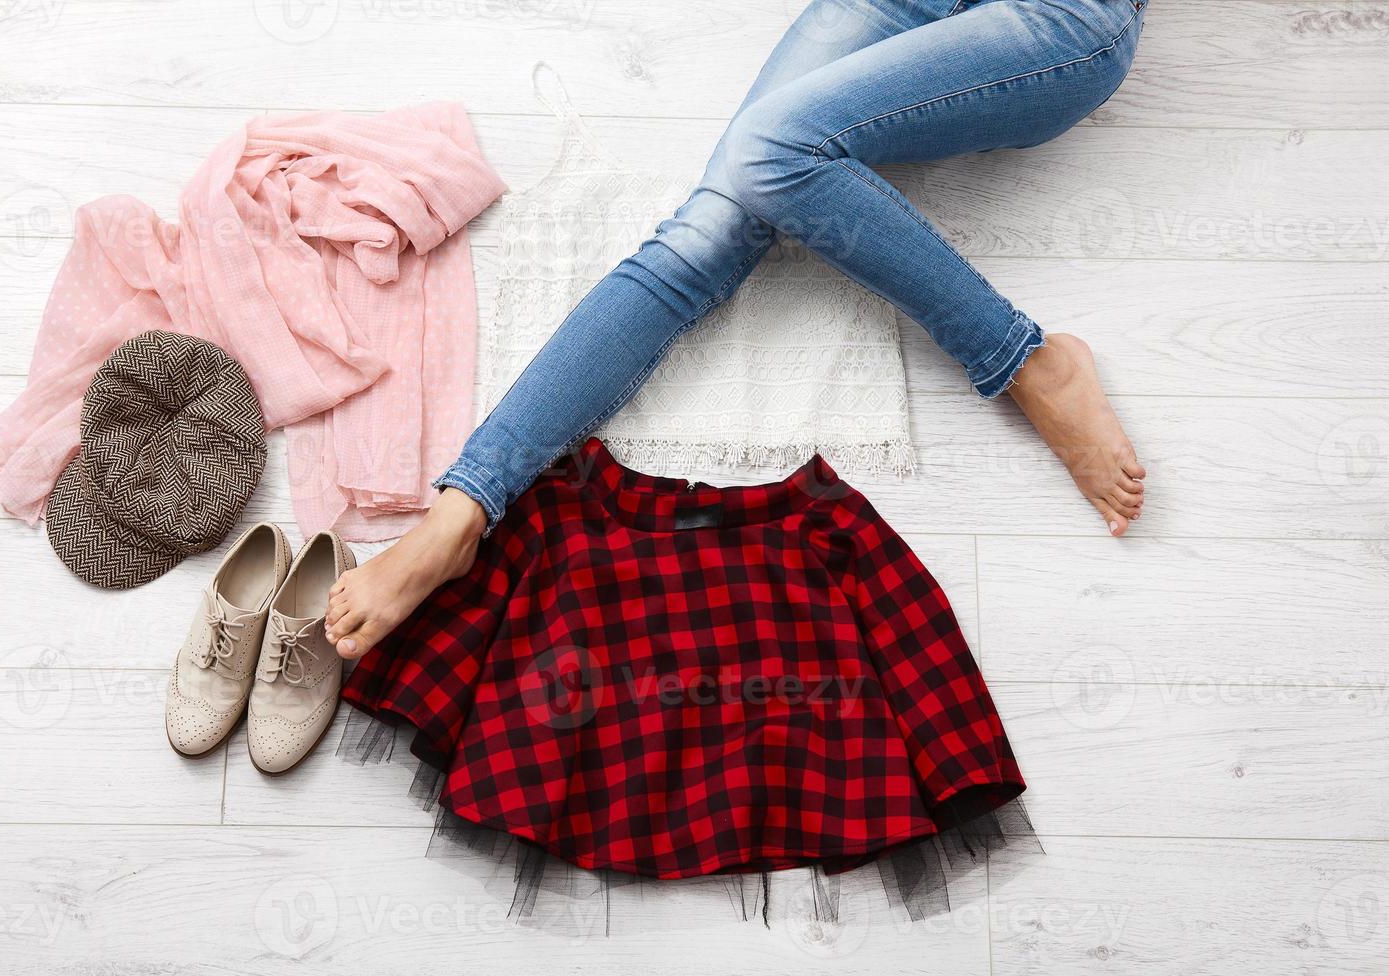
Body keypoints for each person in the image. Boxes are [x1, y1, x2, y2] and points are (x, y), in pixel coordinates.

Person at [326, 0, 1148, 659]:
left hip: (1058, 14)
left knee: (768, 149)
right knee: (700, 237)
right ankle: (460, 511)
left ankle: (1027, 362)